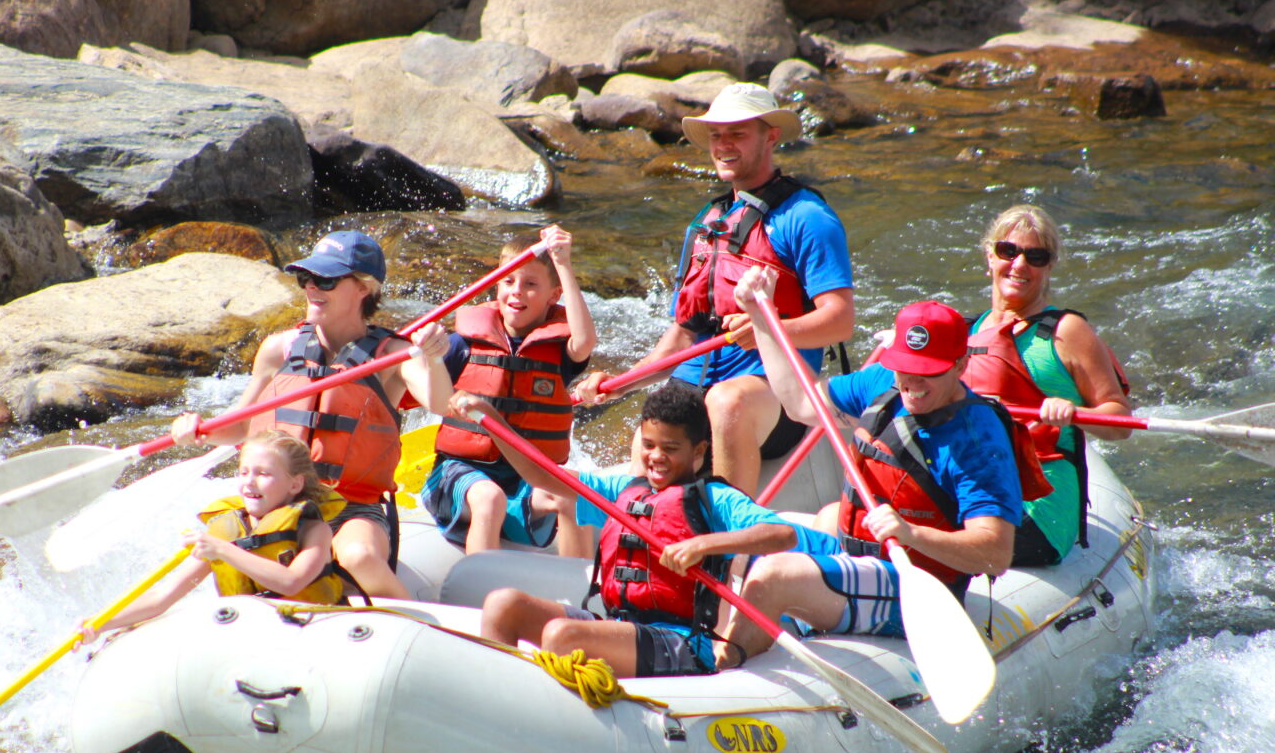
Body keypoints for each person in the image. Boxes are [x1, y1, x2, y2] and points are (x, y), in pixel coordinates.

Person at [733, 269, 1035, 654]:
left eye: (928, 372)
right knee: (732, 544)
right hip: (860, 559)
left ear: (960, 366)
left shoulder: (978, 442)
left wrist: (911, 534)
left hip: (917, 590)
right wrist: (762, 318)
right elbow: (800, 402)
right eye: (905, 367)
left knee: (773, 577)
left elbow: (994, 555)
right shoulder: (882, 382)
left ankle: (724, 668)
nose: (911, 382)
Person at [575, 82, 855, 497]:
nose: (723, 145)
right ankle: (648, 537)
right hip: (697, 385)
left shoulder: (808, 217)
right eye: (717, 135)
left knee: (727, 403)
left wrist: (768, 328)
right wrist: (620, 384)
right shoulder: (706, 223)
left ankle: (728, 546)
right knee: (651, 425)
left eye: (738, 133)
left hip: (773, 396)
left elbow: (841, 321)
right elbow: (684, 334)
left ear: (770, 136)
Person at [471, 380, 840, 677]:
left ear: (698, 453)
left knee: (561, 635)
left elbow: (781, 535)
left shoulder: (715, 499)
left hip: (681, 641)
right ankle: (496, 703)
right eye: (648, 445)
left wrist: (704, 544)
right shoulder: (623, 491)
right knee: (503, 605)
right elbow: (543, 474)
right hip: (617, 625)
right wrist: (492, 421)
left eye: (670, 447)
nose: (656, 456)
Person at [171, 230, 451, 600]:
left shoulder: (394, 354)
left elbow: (439, 402)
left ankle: (418, 626)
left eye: (327, 280)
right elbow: (241, 425)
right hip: (282, 499)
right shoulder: (278, 349)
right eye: (307, 279)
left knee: (359, 555)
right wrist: (198, 430)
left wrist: (432, 358)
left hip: (353, 506)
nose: (312, 288)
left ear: (364, 288)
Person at [963, 204, 1133, 565]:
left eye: (1035, 256)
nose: (1019, 265)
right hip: (979, 492)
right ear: (989, 256)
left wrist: (1076, 414)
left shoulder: (1067, 332)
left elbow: (1120, 422)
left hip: (1040, 510)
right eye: (1008, 251)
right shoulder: (969, 331)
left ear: (1049, 266)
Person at [424, 225, 596, 557]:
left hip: (524, 478)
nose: (517, 292)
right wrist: (427, 356)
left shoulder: (559, 349)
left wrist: (563, 263)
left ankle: (580, 595)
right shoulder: (462, 345)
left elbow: (585, 341)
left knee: (574, 497)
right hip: (461, 474)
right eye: (508, 282)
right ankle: (480, 589)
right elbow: (422, 393)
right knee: (489, 499)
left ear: (553, 295)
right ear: (495, 287)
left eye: (531, 284)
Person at [80, 431, 346, 642]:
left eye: (263, 474)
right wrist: (101, 623)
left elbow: (291, 582)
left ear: (295, 484)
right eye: (244, 472)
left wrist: (222, 549)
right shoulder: (224, 531)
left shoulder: (314, 530)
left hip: (309, 632)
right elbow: (164, 597)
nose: (249, 482)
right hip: (252, 633)